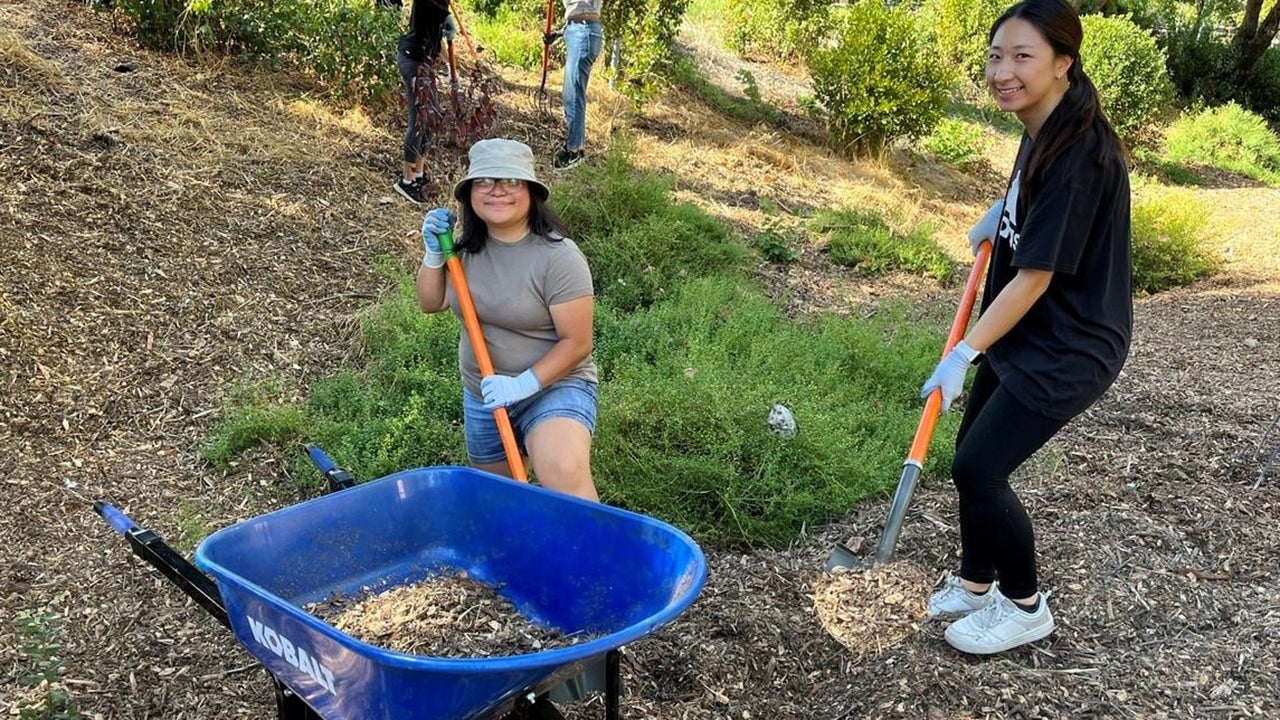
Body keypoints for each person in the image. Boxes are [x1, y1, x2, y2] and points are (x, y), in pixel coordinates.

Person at [919, 0, 1132, 655]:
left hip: (1072, 342)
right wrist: (1001, 209)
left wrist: (962, 352)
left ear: (1063, 63)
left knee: (981, 469)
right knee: (969, 458)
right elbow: (1032, 202)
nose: (1003, 71)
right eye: (995, 55)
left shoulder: (1081, 154)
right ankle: (977, 581)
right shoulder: (1043, 121)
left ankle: (1024, 604)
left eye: (1022, 57)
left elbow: (1034, 278)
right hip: (1030, 327)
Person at [416, 138, 600, 501]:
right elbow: (430, 301)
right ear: (470, 193)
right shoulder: (464, 252)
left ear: (530, 191)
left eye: (510, 181)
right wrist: (433, 255)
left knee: (563, 471)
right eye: (485, 181)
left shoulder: (558, 257)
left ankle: (593, 556)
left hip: (554, 386)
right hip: (484, 393)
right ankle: (525, 557)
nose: (497, 191)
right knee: (500, 502)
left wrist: (522, 385)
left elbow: (578, 342)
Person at [394, 0, 456, 203]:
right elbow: (428, 6)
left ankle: (419, 173)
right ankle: (406, 180)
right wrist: (446, 17)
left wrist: (451, 69)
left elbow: (436, 39)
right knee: (419, 119)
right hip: (412, 59)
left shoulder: (442, 3)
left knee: (432, 116)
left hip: (425, 62)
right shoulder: (429, 3)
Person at [552, 0, 604, 170]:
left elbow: (584, 13)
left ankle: (574, 151)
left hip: (584, 31)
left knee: (574, 96)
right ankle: (575, 146)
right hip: (577, 29)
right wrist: (561, 32)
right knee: (571, 95)